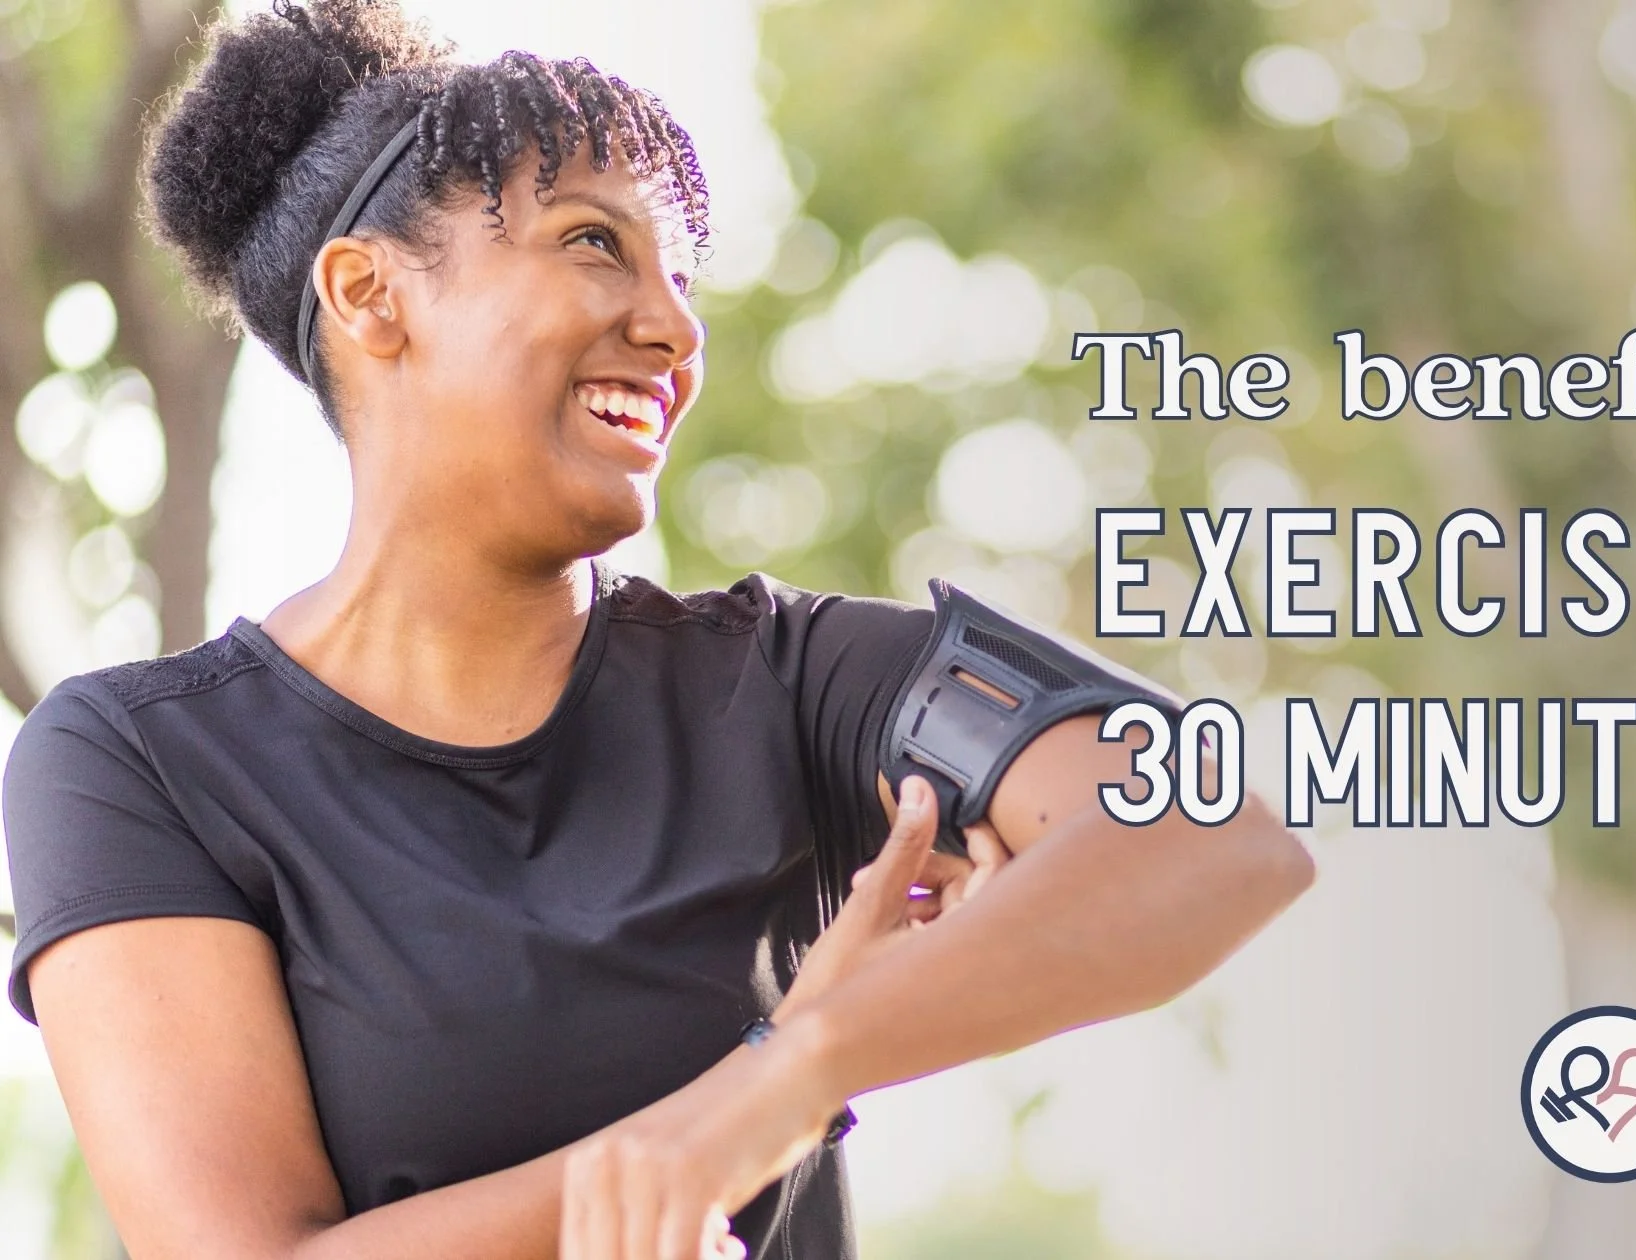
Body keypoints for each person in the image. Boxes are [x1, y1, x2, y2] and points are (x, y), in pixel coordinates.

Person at [0, 3, 1315, 1257]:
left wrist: (822, 1057)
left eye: (684, 277)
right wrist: (757, 1098)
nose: (676, 328)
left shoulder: (791, 682)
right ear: (369, 294)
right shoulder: (140, 763)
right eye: (593, 243)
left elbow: (1215, 835)